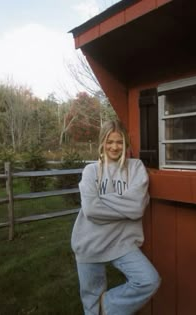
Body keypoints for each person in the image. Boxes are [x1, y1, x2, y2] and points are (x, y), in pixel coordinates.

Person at [71, 120, 161, 315]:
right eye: (109, 141)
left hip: (123, 243)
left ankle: (108, 306)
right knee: (91, 305)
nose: (114, 146)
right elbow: (91, 210)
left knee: (148, 280)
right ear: (102, 143)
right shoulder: (91, 171)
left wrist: (102, 199)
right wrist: (123, 205)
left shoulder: (135, 167)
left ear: (126, 143)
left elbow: (137, 207)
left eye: (119, 142)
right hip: (89, 242)